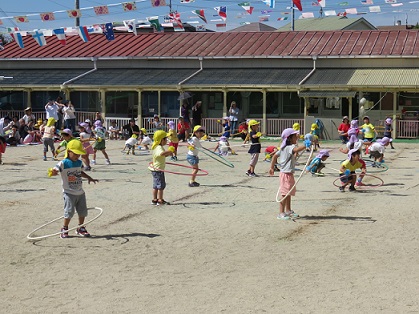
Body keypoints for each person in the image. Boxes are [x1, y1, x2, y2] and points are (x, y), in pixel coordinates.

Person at [50, 140, 98, 238]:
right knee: (69, 212)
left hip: (80, 192)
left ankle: (81, 227)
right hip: (69, 192)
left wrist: (89, 178)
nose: (77, 156)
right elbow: (55, 170)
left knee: (83, 211)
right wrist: (53, 172)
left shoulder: (79, 162)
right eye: (75, 154)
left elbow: (80, 172)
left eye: (79, 154)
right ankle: (65, 228)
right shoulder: (63, 163)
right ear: (69, 151)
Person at [269, 128, 306, 220]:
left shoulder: (284, 148)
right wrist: (306, 144)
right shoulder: (289, 147)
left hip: (288, 173)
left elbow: (274, 156)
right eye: (295, 136)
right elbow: (297, 149)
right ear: (289, 138)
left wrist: (272, 167)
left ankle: (288, 210)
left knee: (288, 193)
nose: (296, 138)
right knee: (284, 193)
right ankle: (281, 213)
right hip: (286, 174)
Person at [149, 130, 173, 205]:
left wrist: (168, 154)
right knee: (161, 185)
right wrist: (170, 151)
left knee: (155, 185)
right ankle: (160, 200)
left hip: (155, 169)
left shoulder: (156, 146)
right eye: (166, 139)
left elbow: (162, 155)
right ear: (161, 140)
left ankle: (154, 199)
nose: (167, 140)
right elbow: (162, 154)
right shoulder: (159, 147)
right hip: (158, 169)